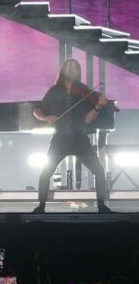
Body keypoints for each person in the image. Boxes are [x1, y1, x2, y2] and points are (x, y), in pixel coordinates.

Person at [32, 58, 112, 214]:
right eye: (70, 67)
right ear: (63, 70)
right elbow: (37, 110)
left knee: (99, 171)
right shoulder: (54, 91)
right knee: (45, 174)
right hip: (60, 139)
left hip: (79, 138)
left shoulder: (84, 92)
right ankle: (40, 207)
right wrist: (46, 118)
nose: (73, 69)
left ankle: (102, 206)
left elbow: (87, 120)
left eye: (76, 67)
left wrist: (98, 107)